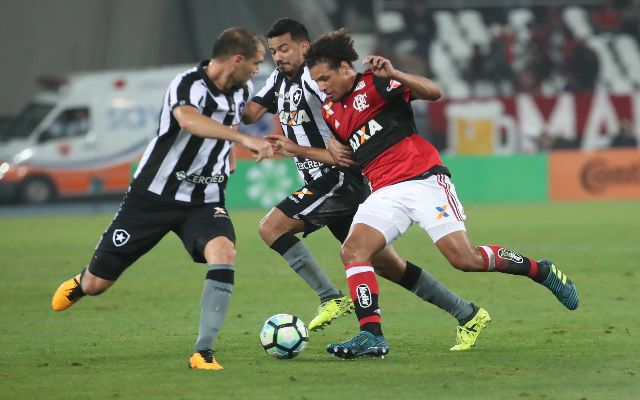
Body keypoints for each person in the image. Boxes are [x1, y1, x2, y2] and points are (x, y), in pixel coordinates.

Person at [305, 29, 579, 359]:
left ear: (346, 68)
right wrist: (330, 147)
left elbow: (435, 92)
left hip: (423, 180)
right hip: (384, 191)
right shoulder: (330, 111)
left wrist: (394, 73)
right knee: (353, 252)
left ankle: (541, 270)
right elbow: (349, 150)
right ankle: (371, 335)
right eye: (316, 81)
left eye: (324, 78)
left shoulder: (376, 83)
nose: (321, 87)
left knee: (465, 260)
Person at [242, 18, 490, 351]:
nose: (278, 56)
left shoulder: (316, 82)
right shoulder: (276, 80)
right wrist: (230, 83)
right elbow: (249, 114)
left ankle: (331, 298)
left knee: (271, 227)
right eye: (272, 51)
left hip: (337, 179)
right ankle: (467, 313)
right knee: (389, 265)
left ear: (305, 47)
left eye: (284, 48)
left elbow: (344, 149)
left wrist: (305, 147)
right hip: (328, 182)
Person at [51, 27, 272, 371]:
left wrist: (228, 153)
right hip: (152, 197)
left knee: (224, 252)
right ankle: (83, 281)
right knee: (98, 284)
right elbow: (188, 120)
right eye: (256, 63)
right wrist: (244, 139)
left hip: (204, 198)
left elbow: (225, 126)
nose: (258, 70)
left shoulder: (243, 90)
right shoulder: (187, 84)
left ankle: (203, 350)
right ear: (237, 59)